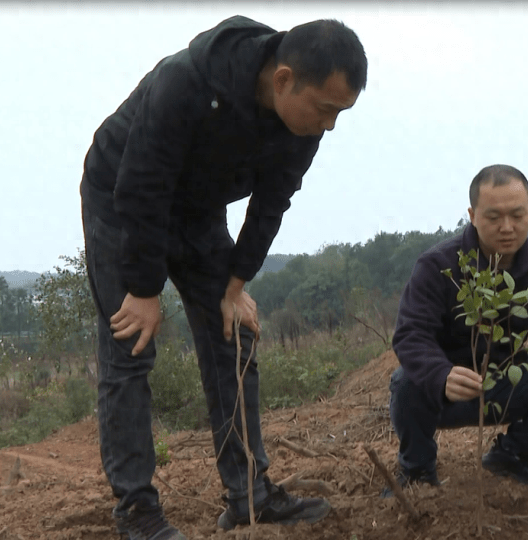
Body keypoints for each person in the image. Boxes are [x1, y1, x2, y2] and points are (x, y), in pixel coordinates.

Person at [79, 15, 367, 539]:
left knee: (233, 338)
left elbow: (271, 203)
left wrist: (236, 286)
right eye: (325, 109)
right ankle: (137, 513)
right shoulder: (187, 82)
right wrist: (144, 290)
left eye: (340, 114)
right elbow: (140, 184)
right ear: (283, 80)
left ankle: (249, 496)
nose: (329, 126)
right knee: (130, 347)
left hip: (198, 211)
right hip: (121, 200)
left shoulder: (300, 127)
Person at [387, 164, 528, 494]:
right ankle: (417, 472)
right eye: (493, 217)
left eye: (517, 215)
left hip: (508, 384)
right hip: (450, 392)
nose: (507, 227)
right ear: (472, 215)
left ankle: (512, 454)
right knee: (406, 382)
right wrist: (441, 374)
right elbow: (411, 334)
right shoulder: (439, 266)